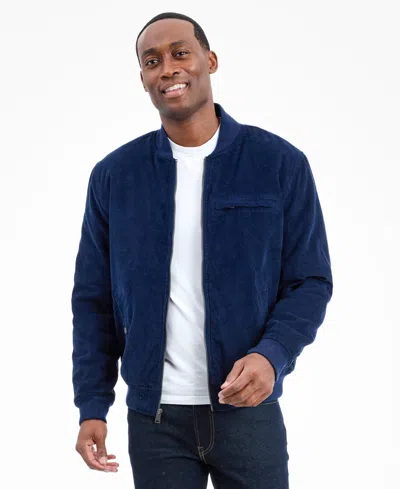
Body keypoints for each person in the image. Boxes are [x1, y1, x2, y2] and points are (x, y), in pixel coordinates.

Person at [72, 11, 333, 489]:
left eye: (180, 53)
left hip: (248, 408)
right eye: (152, 61)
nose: (167, 68)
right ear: (143, 78)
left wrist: (272, 355)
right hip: (155, 421)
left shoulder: (278, 164)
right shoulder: (115, 177)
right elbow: (93, 300)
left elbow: (310, 281)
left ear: (209, 61)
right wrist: (92, 405)